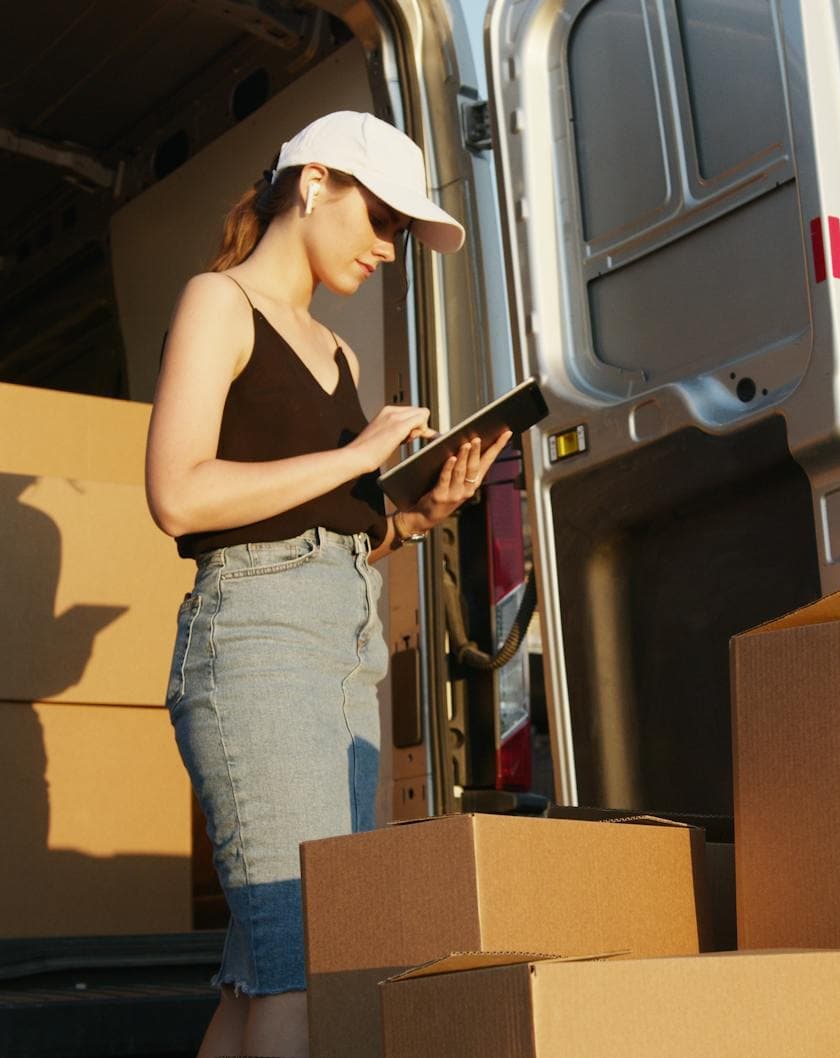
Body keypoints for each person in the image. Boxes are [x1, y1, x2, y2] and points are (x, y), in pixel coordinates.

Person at [144, 111, 509, 1058]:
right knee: (305, 968)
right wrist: (358, 450)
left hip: (343, 657)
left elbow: (321, 529)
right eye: (382, 221)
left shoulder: (339, 354)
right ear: (314, 185)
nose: (389, 250)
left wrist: (416, 519)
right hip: (257, 646)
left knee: (274, 965)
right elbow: (179, 495)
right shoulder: (218, 303)